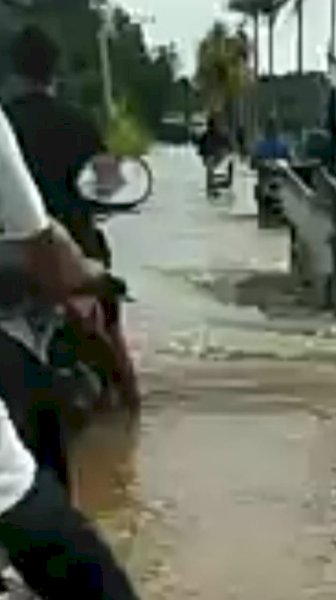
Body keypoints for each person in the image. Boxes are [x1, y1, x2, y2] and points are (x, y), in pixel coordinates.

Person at [0, 101, 139, 599]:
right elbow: (47, 245)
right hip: (60, 255)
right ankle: (130, 398)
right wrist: (91, 276)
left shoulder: (17, 113)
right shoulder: (74, 121)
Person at [5, 24, 141, 408]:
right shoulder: (78, 122)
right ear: (55, 72)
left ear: (14, 70)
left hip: (8, 254)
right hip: (73, 251)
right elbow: (109, 181)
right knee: (113, 337)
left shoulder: (6, 122)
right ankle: (133, 424)